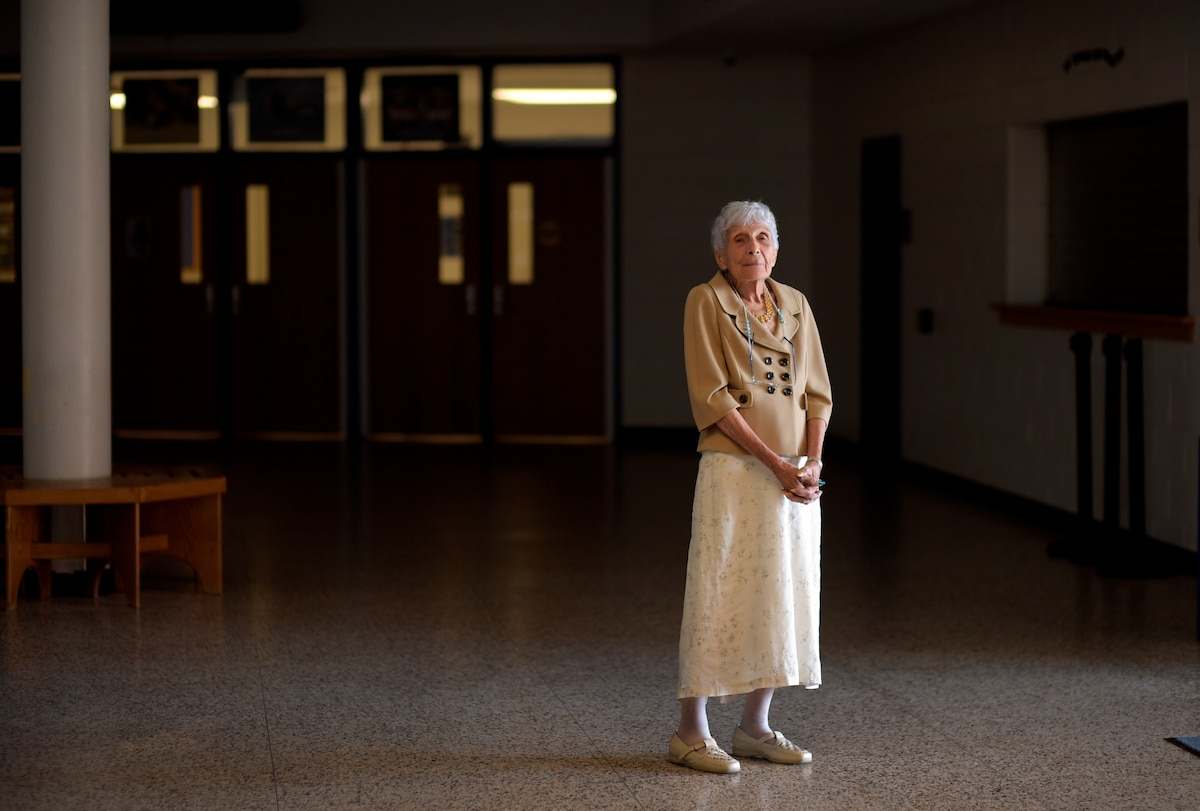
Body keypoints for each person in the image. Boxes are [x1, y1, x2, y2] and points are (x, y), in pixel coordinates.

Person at [669, 200, 832, 774]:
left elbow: (817, 394)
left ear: (776, 251)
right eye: (740, 240)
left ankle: (755, 726)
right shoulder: (705, 301)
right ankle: (691, 731)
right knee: (720, 587)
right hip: (737, 471)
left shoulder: (796, 305)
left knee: (781, 593)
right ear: (721, 253)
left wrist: (808, 465)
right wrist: (774, 462)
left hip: (792, 477)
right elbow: (711, 399)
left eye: (763, 238)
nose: (752, 249)